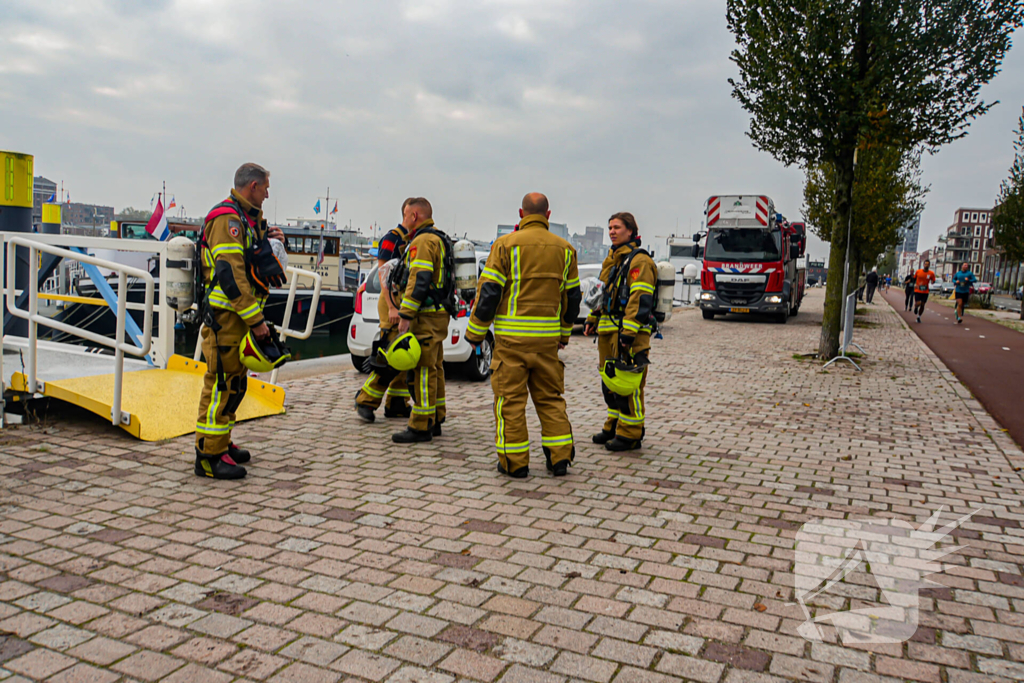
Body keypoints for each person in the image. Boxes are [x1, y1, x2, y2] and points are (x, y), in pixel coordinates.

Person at [465, 193, 581, 477]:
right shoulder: (566, 250)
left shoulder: (505, 246)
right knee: (551, 400)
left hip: (511, 344)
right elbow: (572, 298)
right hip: (547, 344)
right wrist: (564, 335)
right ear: (548, 215)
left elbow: (489, 294)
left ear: (521, 213)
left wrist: (475, 333)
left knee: (510, 403)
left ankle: (514, 464)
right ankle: (560, 459)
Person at [194, 163, 286, 479]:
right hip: (226, 318)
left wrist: (273, 239)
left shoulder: (247, 220)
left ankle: (222, 442)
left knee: (236, 384)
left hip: (238, 318)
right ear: (253, 186)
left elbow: (251, 261)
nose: (267, 195)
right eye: (265, 188)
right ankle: (208, 456)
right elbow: (229, 273)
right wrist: (256, 320)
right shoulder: (228, 220)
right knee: (221, 384)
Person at [583, 212, 658, 452]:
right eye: (610, 228)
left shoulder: (640, 261)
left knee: (629, 384)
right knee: (611, 383)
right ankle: (613, 426)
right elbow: (602, 292)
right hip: (608, 333)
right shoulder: (613, 260)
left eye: (617, 227)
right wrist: (593, 317)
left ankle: (630, 434)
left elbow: (640, 298)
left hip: (629, 335)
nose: (612, 232)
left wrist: (629, 332)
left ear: (630, 231)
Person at [392, 198, 453, 443]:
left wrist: (405, 314)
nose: (404, 220)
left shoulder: (423, 241)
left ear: (414, 216)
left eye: (406, 215)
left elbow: (419, 279)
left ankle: (421, 425)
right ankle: (436, 416)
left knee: (423, 370)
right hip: (438, 314)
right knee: (435, 366)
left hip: (426, 316)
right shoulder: (439, 238)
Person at [355, 200, 417, 422]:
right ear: (410, 215)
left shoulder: (412, 240)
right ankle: (366, 400)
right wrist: (391, 306)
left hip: (402, 300)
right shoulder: (392, 238)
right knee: (391, 352)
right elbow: (384, 275)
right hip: (393, 300)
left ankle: (398, 402)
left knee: (405, 354)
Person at [913, 259, 936, 323]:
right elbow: (914, 278)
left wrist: (933, 282)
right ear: (923, 265)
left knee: (923, 304)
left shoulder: (931, 273)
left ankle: (919, 317)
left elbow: (933, 280)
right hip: (918, 290)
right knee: (918, 303)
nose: (926, 265)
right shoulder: (918, 271)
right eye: (925, 264)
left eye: (928, 264)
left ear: (929, 265)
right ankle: (916, 307)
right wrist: (915, 284)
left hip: (925, 291)